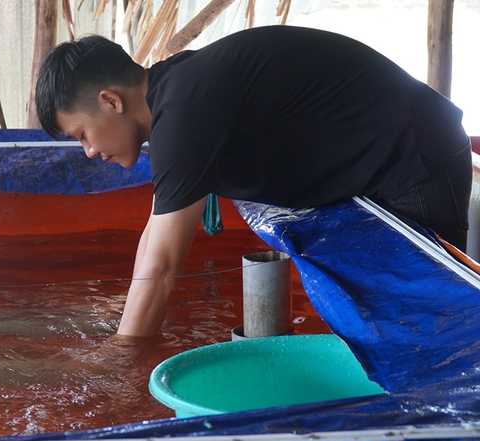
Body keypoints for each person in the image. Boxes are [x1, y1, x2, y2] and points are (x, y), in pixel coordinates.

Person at [34, 25, 472, 338]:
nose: (89, 152)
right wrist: (125, 322)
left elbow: (164, 266)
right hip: (392, 154)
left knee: (428, 319)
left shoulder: (185, 109)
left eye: (82, 136)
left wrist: (124, 359)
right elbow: (155, 233)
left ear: (110, 101)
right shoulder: (177, 97)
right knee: (394, 312)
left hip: (416, 157)